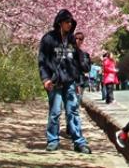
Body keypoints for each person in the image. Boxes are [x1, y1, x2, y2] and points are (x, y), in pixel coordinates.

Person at [37, 9, 91, 154]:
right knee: (55, 112)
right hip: (54, 81)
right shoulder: (48, 39)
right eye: (67, 22)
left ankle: (79, 141)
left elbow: (77, 62)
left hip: (70, 81)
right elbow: (42, 60)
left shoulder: (72, 39)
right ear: (60, 22)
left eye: (71, 22)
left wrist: (79, 81)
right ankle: (53, 140)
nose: (69, 24)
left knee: (72, 111)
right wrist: (45, 78)